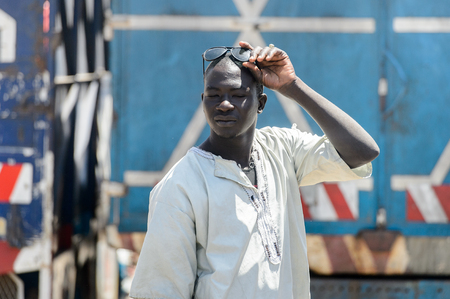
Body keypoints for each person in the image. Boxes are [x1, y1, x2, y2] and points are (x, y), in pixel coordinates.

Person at [129, 41, 379, 299]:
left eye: (237, 95)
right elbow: (159, 291)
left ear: (260, 103)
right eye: (214, 95)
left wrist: (293, 86)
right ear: (203, 101)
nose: (224, 104)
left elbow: (362, 152)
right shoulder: (181, 185)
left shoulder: (281, 150)